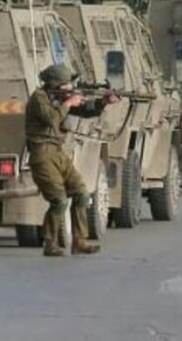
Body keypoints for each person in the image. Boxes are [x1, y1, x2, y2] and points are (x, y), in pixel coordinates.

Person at [25, 63, 114, 257]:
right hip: (42, 155)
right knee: (59, 201)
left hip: (58, 152)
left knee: (82, 193)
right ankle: (50, 243)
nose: (69, 87)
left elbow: (86, 111)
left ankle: (79, 241)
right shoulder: (39, 98)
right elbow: (50, 119)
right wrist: (68, 103)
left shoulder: (59, 99)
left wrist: (103, 102)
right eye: (66, 84)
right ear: (55, 84)